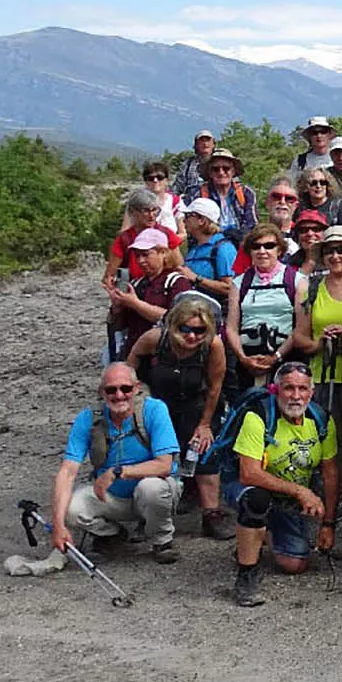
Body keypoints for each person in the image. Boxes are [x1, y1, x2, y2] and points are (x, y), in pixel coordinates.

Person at [226, 362, 339, 606]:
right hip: (251, 489)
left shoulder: (321, 420)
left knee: (295, 563)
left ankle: (261, 535)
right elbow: (249, 473)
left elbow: (330, 473)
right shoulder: (258, 416)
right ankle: (246, 575)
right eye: (288, 388)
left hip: (290, 499)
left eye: (302, 389)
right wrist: (301, 491)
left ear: (312, 391)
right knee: (256, 500)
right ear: (276, 389)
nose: (296, 396)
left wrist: (328, 524)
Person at [47, 362, 181, 564]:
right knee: (71, 508)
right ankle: (110, 534)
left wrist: (117, 472)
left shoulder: (154, 410)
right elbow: (67, 472)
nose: (119, 395)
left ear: (136, 388)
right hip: (111, 496)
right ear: (101, 392)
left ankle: (161, 540)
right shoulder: (88, 420)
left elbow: (164, 465)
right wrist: (58, 525)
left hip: (151, 492)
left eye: (125, 389)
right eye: (111, 390)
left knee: (151, 487)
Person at [286, 225, 342, 522]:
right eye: (329, 250)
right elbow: (300, 337)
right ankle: (335, 497)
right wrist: (319, 343)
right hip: (322, 374)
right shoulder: (310, 288)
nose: (335, 256)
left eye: (341, 250)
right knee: (327, 439)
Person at [127, 295, 231, 539]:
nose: (192, 336)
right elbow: (129, 366)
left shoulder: (213, 345)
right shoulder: (154, 339)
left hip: (198, 401)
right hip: (159, 403)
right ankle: (149, 515)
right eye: (186, 329)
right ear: (174, 326)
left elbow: (215, 387)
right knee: (156, 456)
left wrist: (205, 424)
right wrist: (134, 396)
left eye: (199, 330)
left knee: (204, 452)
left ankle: (211, 514)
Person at [224, 224, 303, 397]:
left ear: (280, 250)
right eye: (256, 246)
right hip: (247, 360)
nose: (262, 251)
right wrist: (243, 359)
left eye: (269, 246)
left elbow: (301, 327)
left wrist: (276, 357)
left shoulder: (297, 280)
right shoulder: (239, 283)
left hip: (286, 359)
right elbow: (231, 327)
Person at [105, 230, 186, 362]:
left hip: (163, 357)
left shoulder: (177, 282)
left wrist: (135, 304)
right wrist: (117, 307)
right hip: (133, 353)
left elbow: (177, 319)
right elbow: (119, 327)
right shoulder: (136, 283)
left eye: (146, 255)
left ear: (163, 253)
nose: (141, 261)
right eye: (137, 256)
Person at [179, 199, 236, 305]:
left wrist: (196, 278)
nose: (184, 221)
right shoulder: (194, 248)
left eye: (188, 216)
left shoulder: (223, 248)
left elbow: (230, 288)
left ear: (201, 220)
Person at [200, 149, 259, 243]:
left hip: (241, 243)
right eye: (216, 169)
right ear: (210, 173)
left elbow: (252, 224)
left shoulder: (246, 193)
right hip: (209, 243)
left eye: (226, 168)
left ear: (233, 171)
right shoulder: (199, 194)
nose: (221, 172)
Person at [299, 166, 342, 236]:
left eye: (323, 182)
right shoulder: (300, 208)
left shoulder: (340, 206)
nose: (318, 186)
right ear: (305, 187)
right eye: (314, 183)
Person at [136, 160, 180, 233]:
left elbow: (183, 233)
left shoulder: (175, 202)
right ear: (145, 181)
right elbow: (125, 229)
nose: (155, 181)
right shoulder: (137, 202)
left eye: (160, 177)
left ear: (167, 180)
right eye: (150, 178)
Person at [172, 129, 216, 202]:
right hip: (190, 204)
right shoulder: (187, 164)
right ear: (196, 145)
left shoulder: (221, 163)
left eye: (208, 140)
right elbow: (177, 188)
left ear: (213, 144)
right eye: (202, 141)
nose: (205, 144)